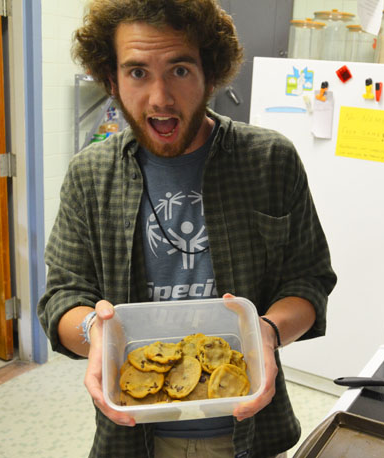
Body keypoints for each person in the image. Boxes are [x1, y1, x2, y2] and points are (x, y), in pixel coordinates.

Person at [37, 1, 336, 457]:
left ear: (210, 74)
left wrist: (267, 332)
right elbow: (62, 299)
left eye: (179, 70)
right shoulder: (90, 175)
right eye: (137, 72)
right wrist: (98, 331)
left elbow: (308, 281)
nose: (159, 97)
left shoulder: (269, 161)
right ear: (111, 79)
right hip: (133, 435)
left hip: (249, 429)